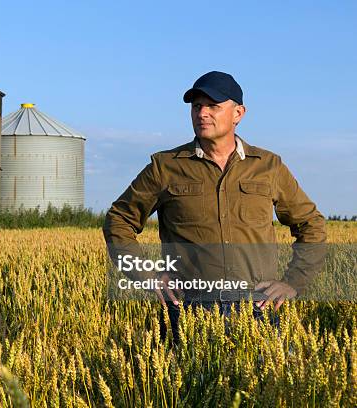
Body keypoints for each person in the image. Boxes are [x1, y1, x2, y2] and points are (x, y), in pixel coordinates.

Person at [102, 71, 326, 341]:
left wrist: (293, 282)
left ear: (238, 113)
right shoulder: (166, 166)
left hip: (257, 308)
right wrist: (146, 276)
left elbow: (311, 224)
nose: (202, 113)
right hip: (188, 309)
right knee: (185, 384)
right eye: (197, 106)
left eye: (213, 106)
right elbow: (118, 220)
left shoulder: (268, 166)